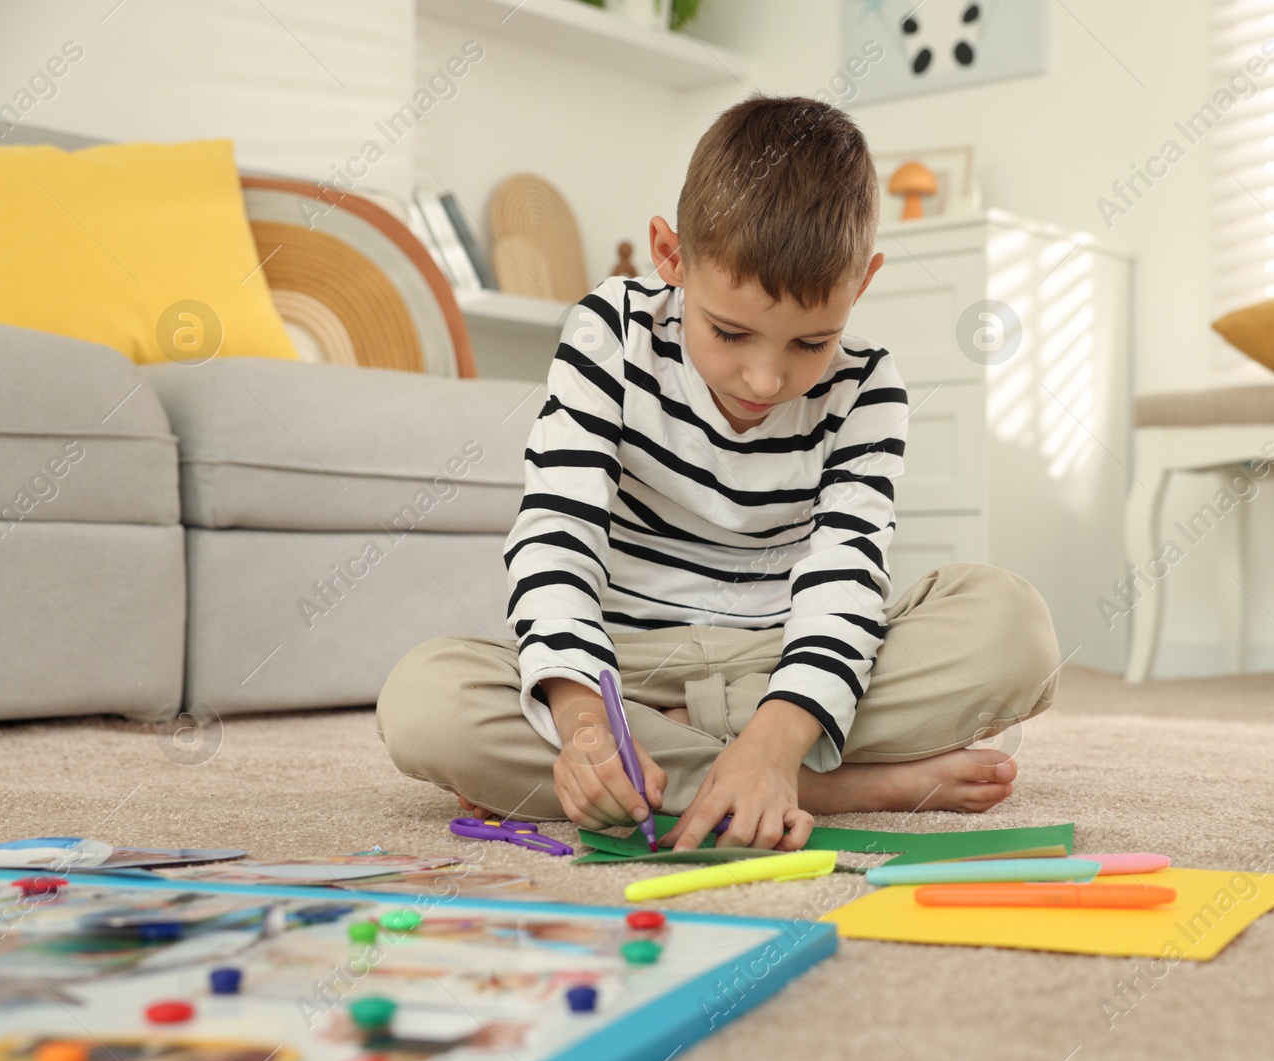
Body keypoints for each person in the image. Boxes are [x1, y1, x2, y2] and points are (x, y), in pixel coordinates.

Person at [377, 93, 1061, 853]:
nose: (766, 380)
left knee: (1014, 627)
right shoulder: (612, 333)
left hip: (779, 657)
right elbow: (557, 533)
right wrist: (582, 726)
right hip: (628, 668)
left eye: (810, 344)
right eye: (730, 332)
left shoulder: (869, 387)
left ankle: (750, 758)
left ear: (861, 285)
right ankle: (826, 781)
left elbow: (845, 576)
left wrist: (774, 735)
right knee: (425, 701)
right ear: (672, 257)